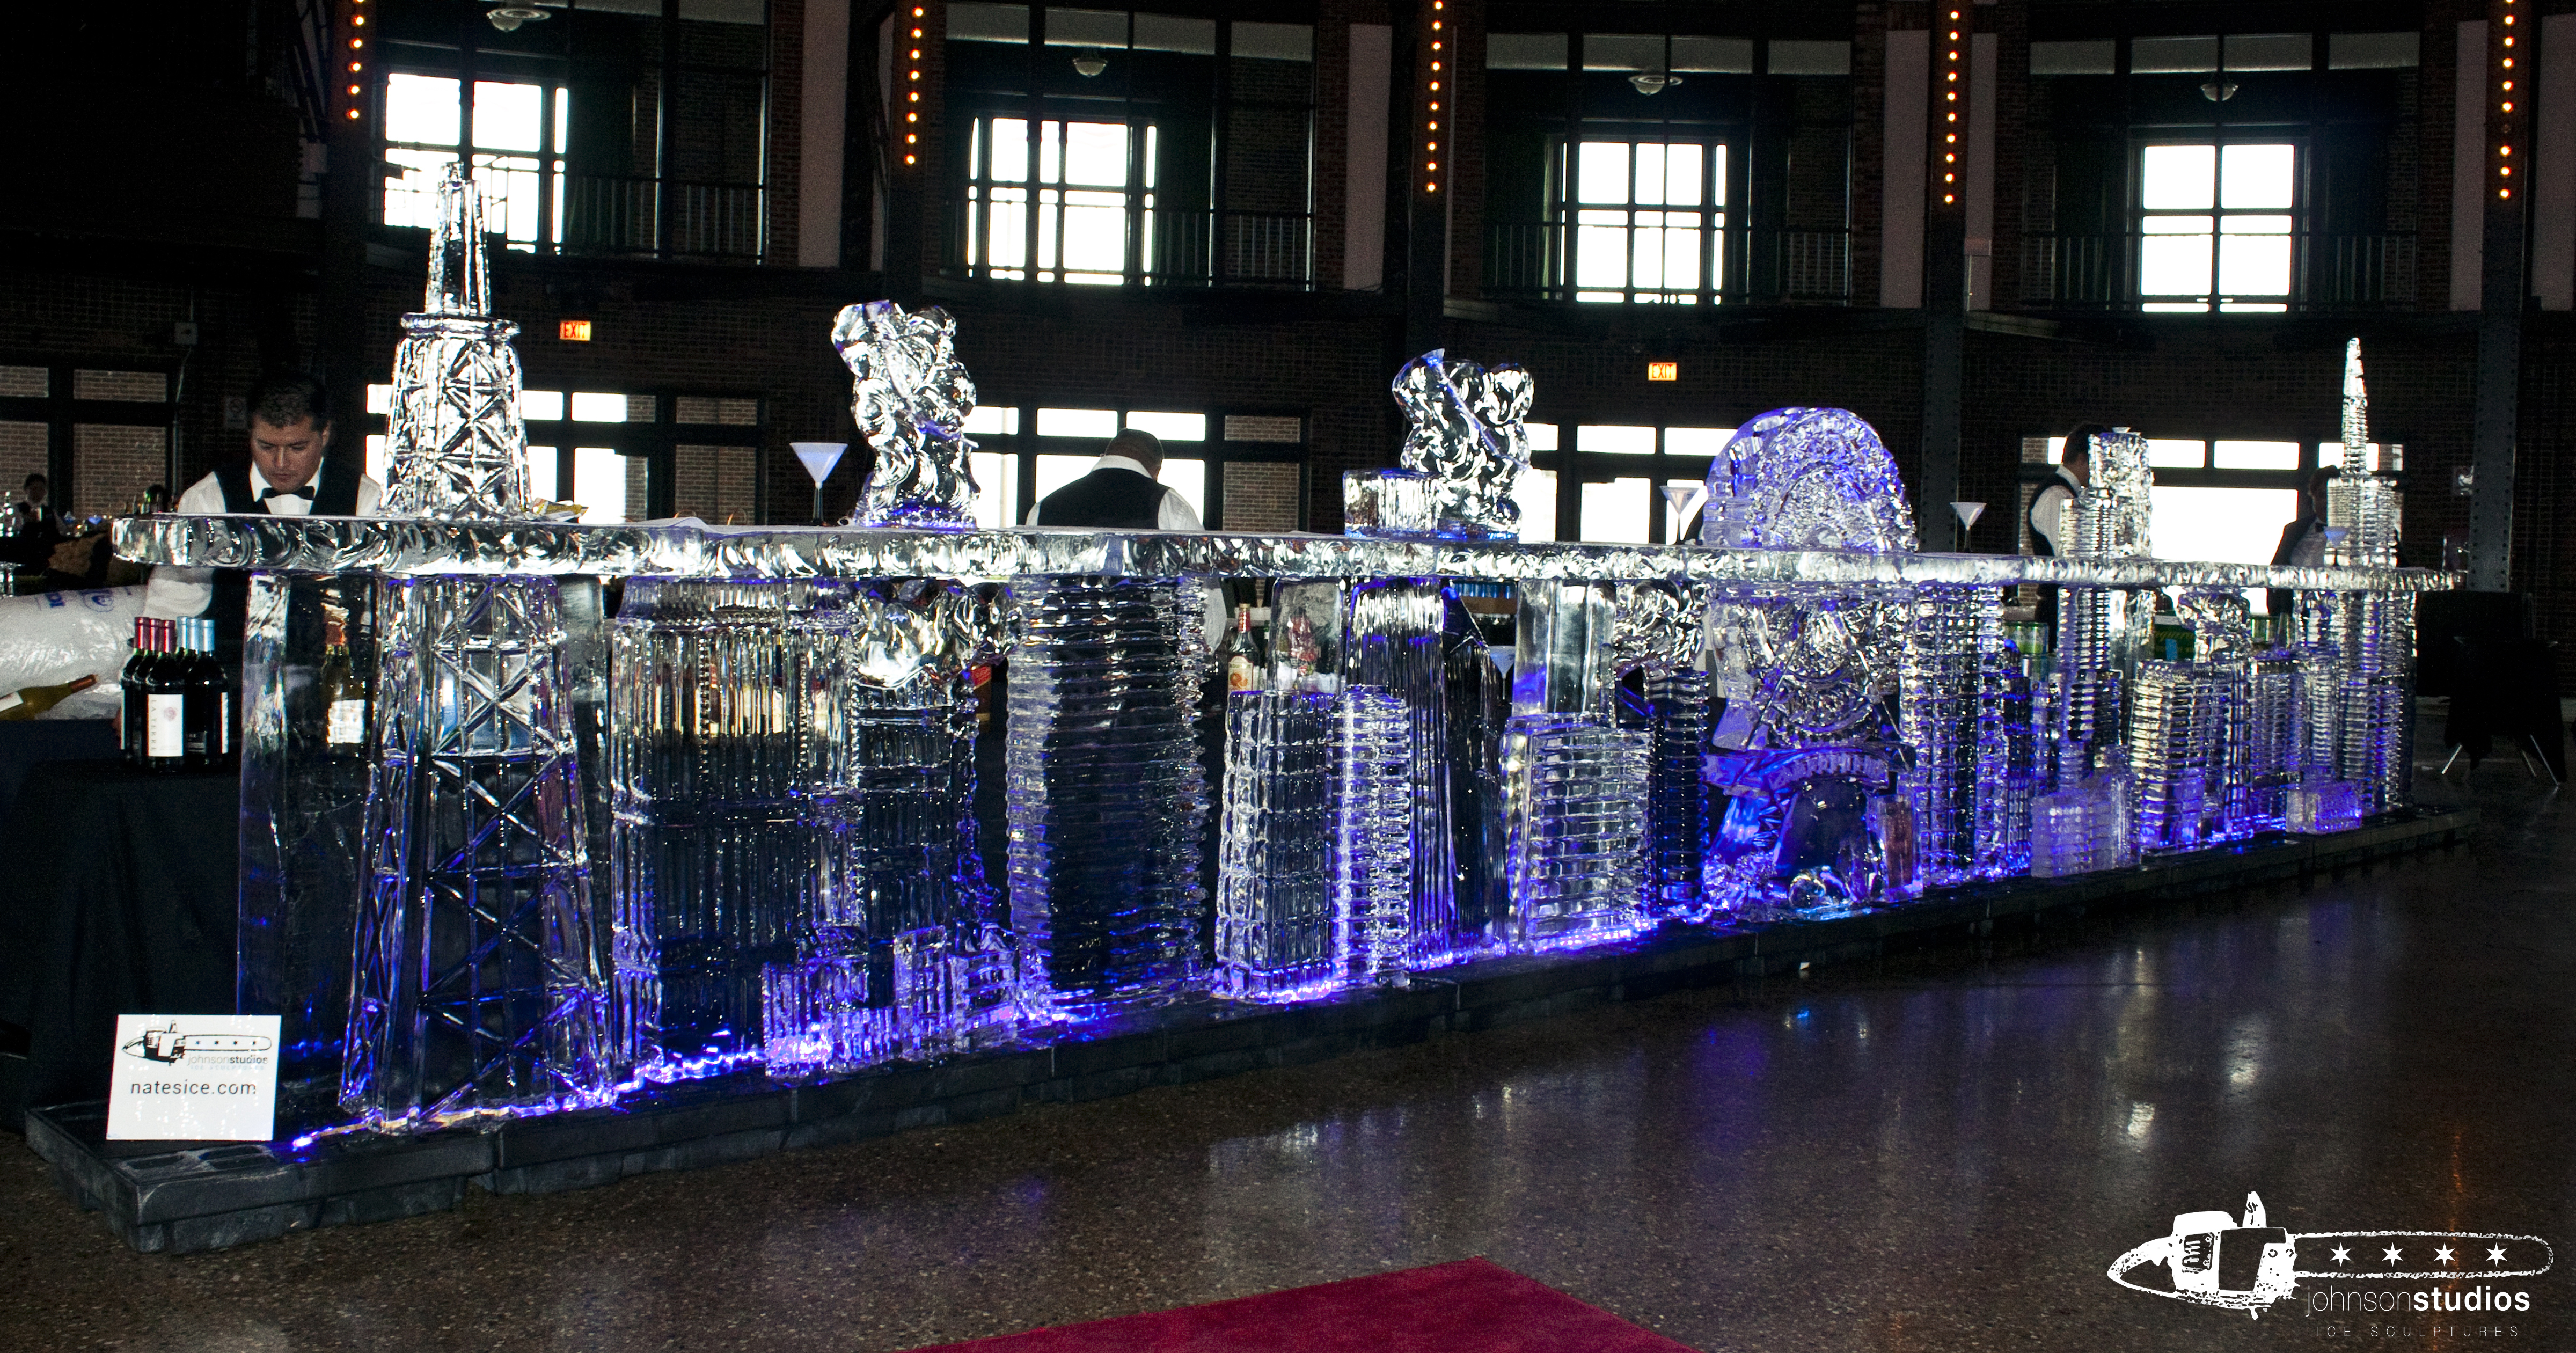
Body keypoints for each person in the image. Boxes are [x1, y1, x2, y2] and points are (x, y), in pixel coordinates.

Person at [147, 372, 384, 648]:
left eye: (297, 447)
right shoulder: (208, 499)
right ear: (250, 435)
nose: (280, 463)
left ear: (325, 434)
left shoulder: (365, 498)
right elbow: (171, 602)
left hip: (333, 672)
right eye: (266, 446)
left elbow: (375, 609)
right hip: (233, 671)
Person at [1024, 428, 1199, 530]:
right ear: (1156, 471)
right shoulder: (1170, 505)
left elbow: (1026, 584)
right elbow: (1202, 582)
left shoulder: (1047, 506)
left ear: (1105, 456)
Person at [2026, 425, 2097, 631]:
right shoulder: (2058, 496)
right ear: (2084, 458)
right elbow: (2069, 558)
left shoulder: (2068, 494)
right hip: (2058, 612)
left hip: (2063, 609)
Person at [2267, 469, 2332, 621]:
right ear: (2313, 496)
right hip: (2293, 620)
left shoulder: (2362, 534)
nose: (2327, 502)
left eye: (2333, 496)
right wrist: (2278, 617)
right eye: (2322, 495)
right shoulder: (2294, 530)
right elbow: (2275, 573)